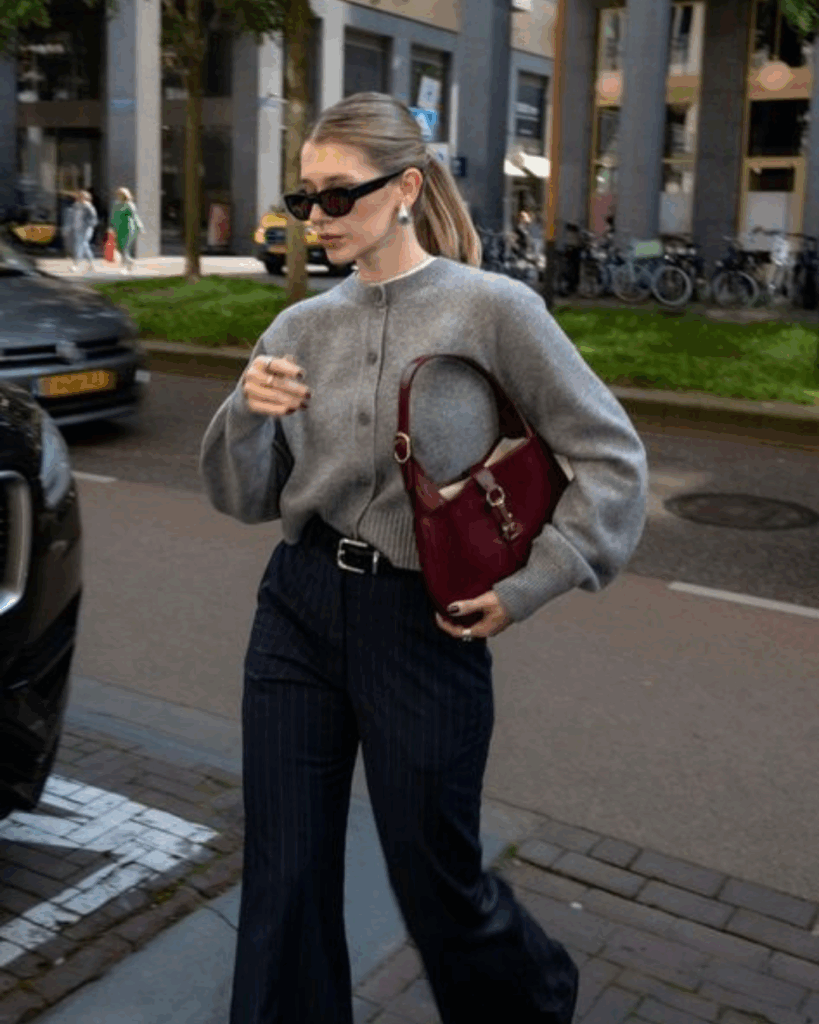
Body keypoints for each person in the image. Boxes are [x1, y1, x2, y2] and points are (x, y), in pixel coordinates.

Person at [199, 90, 648, 1024]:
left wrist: (533, 583)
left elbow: (611, 459)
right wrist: (245, 413)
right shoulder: (296, 329)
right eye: (303, 197)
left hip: (424, 623)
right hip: (297, 610)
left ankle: (529, 996)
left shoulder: (493, 311)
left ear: (404, 187)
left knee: (433, 876)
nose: (314, 218)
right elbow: (244, 499)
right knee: (284, 869)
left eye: (336, 196)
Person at [109, 187, 143, 273]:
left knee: (125, 249)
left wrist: (139, 227)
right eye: (118, 194)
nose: (119, 195)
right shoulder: (116, 204)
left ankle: (125, 268)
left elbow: (135, 216)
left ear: (125, 195)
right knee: (120, 249)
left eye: (121, 194)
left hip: (128, 228)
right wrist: (111, 226)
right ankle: (130, 262)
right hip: (118, 228)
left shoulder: (129, 205)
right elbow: (113, 216)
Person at [68, 191, 98, 273]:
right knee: (84, 246)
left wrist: (88, 225)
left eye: (82, 197)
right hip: (77, 228)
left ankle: (76, 265)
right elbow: (72, 216)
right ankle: (91, 264)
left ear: (86, 198)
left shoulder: (89, 207)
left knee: (79, 246)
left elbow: (94, 220)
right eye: (80, 196)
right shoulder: (76, 206)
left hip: (86, 229)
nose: (80, 198)